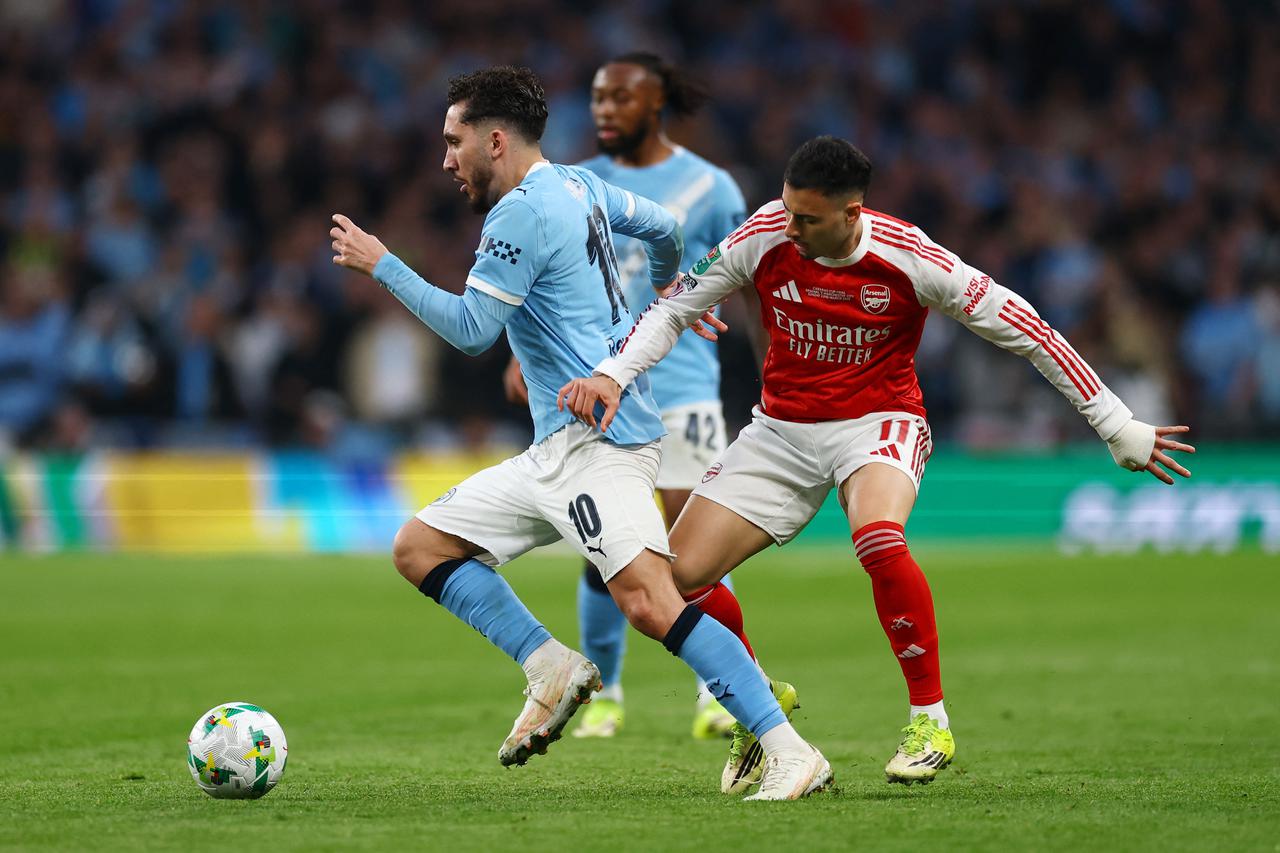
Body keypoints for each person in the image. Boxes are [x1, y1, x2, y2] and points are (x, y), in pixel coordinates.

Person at [557, 135, 1195, 793]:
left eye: (808, 218)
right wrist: (613, 374)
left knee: (878, 537)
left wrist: (1115, 422)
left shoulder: (910, 256)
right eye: (787, 209)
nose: (790, 227)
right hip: (781, 430)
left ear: (851, 212)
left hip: (878, 423)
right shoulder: (766, 232)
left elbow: (1025, 327)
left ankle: (929, 722)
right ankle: (756, 697)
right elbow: (673, 308)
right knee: (676, 580)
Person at [329, 66, 829, 800]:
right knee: (421, 547)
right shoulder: (581, 185)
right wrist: (667, 289)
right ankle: (549, 666)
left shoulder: (519, 214)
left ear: (494, 141)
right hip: (555, 449)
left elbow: (472, 330)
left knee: (651, 602)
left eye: (454, 141)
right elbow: (665, 228)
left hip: (603, 446)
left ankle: (790, 751)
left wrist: (384, 265)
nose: (446, 160)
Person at [503, 53, 749, 740]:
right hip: (594, 389)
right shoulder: (574, 183)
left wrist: (768, 369)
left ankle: (717, 692)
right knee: (601, 547)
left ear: (656, 102)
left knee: (695, 546)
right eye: (598, 98)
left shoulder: (711, 186)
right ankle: (606, 692)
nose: (604, 110)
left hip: (684, 385)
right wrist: (524, 355)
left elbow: (747, 276)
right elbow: (544, 277)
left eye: (620, 98)